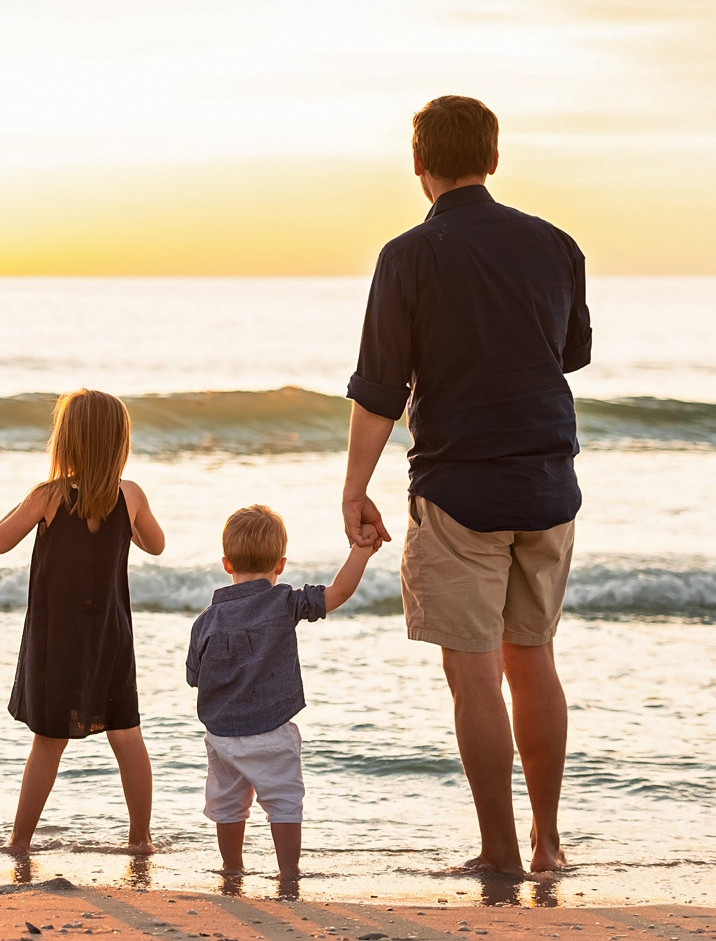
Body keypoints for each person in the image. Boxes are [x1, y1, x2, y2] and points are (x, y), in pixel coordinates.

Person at [343, 96, 592, 876]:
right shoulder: (556, 245)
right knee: (534, 658)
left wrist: (355, 489)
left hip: (458, 491)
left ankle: (501, 853)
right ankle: (548, 845)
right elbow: (569, 354)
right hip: (549, 484)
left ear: (419, 162)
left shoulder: (408, 256)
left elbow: (381, 389)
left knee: (475, 673)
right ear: (493, 155)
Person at [0, 388, 166, 856]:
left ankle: (20, 840)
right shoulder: (131, 496)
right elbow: (157, 544)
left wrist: (33, 501)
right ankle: (140, 838)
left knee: (48, 741)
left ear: (65, 442)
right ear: (118, 444)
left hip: (57, 641)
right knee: (127, 735)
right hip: (110, 636)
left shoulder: (47, 497)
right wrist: (130, 525)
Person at [186, 504, 377, 880]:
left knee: (227, 804)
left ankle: (232, 868)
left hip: (222, 733)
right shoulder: (286, 600)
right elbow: (337, 594)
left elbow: (195, 677)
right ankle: (288, 871)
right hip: (273, 730)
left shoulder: (206, 620)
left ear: (227, 564)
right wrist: (361, 551)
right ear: (281, 564)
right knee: (284, 803)